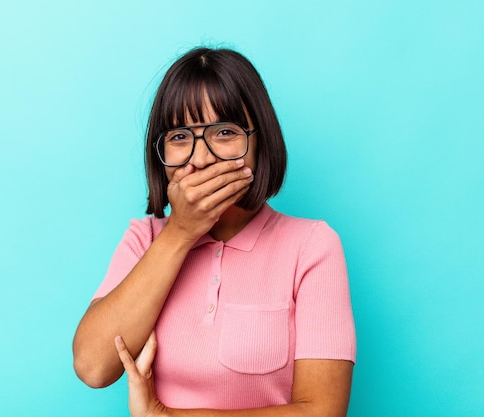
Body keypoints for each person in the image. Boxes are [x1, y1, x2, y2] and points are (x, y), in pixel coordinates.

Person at [73, 47, 356, 417]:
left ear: (260, 142)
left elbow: (322, 411)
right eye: (179, 137)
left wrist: (167, 416)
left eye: (224, 132)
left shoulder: (312, 246)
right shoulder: (145, 239)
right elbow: (94, 367)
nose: (201, 159)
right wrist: (179, 234)